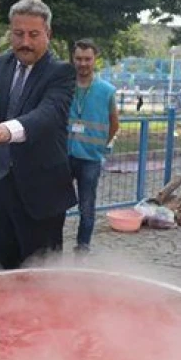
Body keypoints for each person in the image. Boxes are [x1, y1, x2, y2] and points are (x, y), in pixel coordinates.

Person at [0, 0, 77, 269]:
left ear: (48, 34)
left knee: (41, 275)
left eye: (34, 34)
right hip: (0, 187)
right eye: (18, 34)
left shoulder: (62, 73)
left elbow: (47, 115)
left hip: (41, 194)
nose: (25, 43)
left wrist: (5, 130)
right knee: (4, 267)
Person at [67, 39, 119, 254]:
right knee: (55, 202)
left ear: (95, 59)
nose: (83, 63)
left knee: (87, 206)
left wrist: (101, 146)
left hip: (90, 159)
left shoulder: (106, 90)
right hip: (65, 155)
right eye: (78, 59)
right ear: (73, 59)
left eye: (87, 59)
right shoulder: (65, 86)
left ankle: (83, 246)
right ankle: (51, 244)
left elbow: (114, 123)